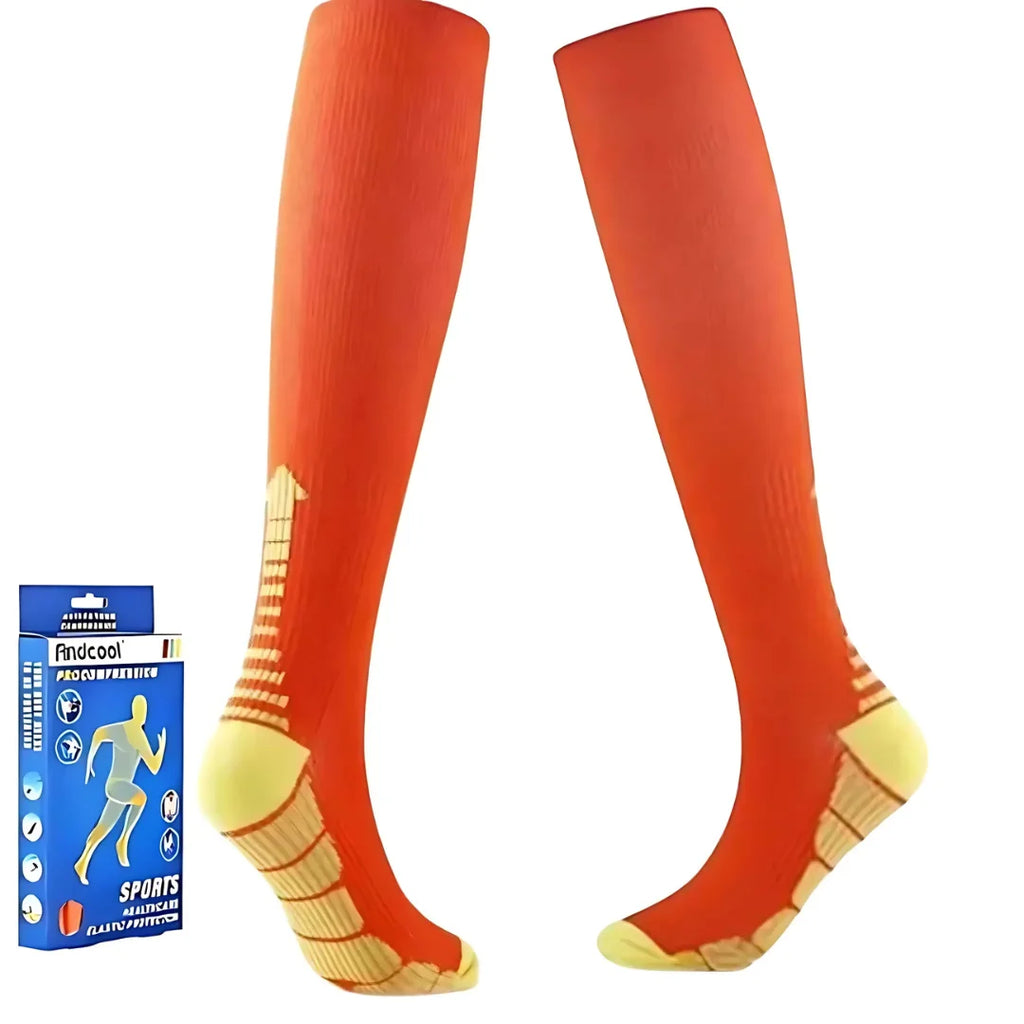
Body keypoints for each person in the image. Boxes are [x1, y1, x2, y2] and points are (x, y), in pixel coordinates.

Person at [73, 695, 166, 884]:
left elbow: (99, 734)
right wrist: (89, 762)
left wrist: (90, 761)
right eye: (140, 709)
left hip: (120, 789)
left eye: (144, 710)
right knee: (141, 798)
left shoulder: (130, 732)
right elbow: (155, 766)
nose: (143, 714)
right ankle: (123, 839)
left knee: (102, 828)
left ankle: (81, 863)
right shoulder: (133, 733)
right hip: (117, 786)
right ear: (135, 711)